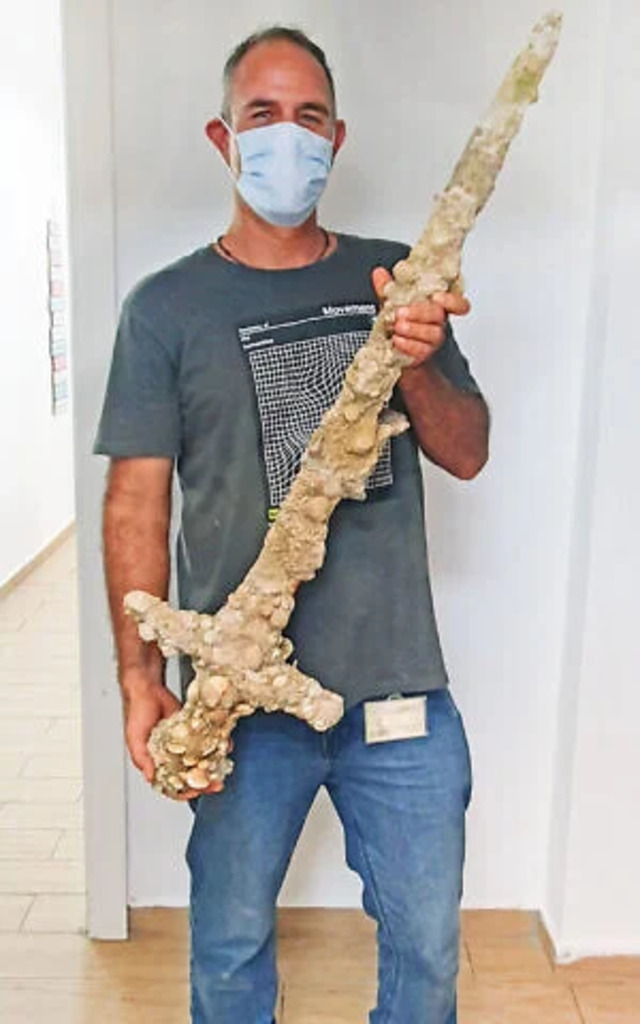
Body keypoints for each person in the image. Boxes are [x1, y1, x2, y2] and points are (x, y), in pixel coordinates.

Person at [95, 25, 489, 1024]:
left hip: (396, 688)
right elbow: (136, 501)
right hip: (235, 703)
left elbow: (466, 448)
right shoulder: (165, 309)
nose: (286, 137)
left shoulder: (395, 279)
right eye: (261, 115)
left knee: (428, 946)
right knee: (228, 948)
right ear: (221, 135)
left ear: (338, 136)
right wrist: (141, 679)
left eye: (307, 117)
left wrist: (413, 356)